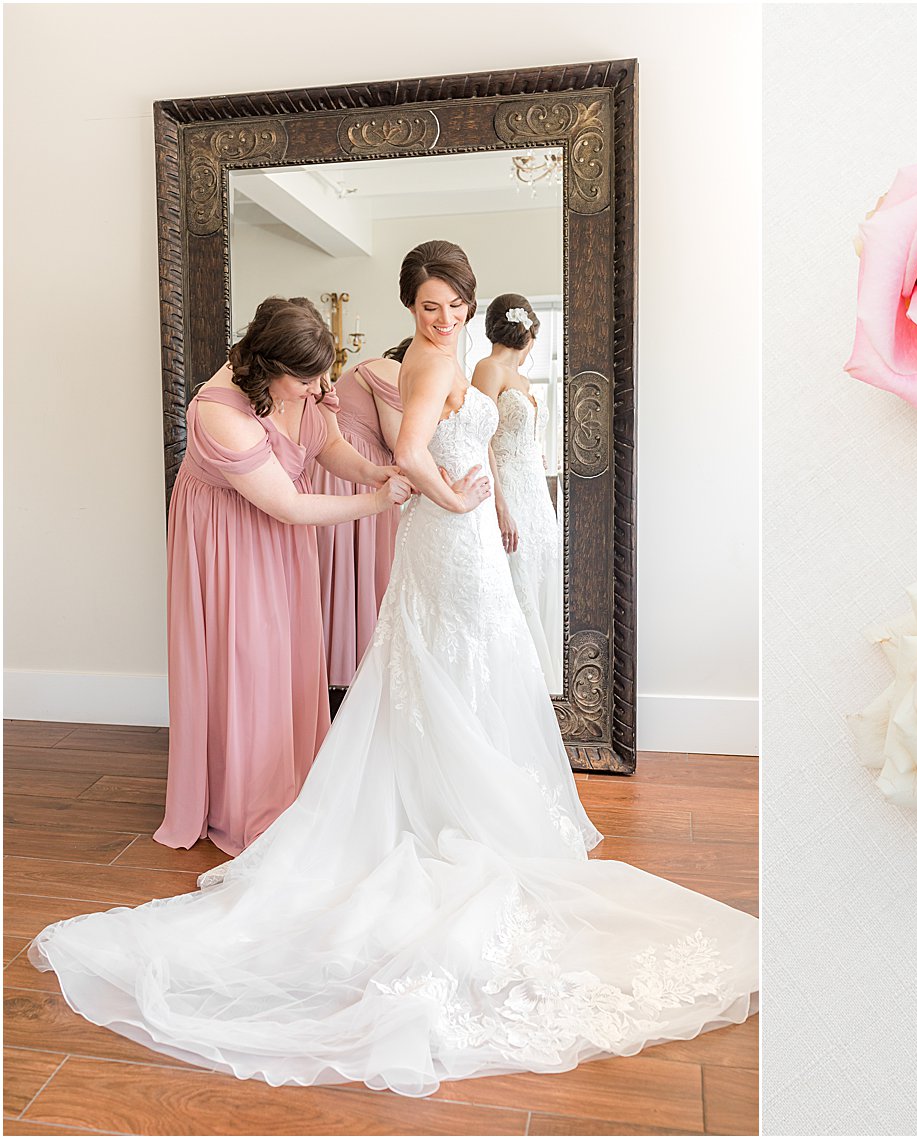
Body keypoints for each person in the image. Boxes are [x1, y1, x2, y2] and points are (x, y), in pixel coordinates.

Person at [31, 241, 758, 1097]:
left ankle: (417, 788)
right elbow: (330, 485)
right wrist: (422, 493)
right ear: (410, 308)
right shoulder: (255, 404)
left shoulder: (389, 374)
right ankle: (298, 799)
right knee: (409, 663)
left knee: (460, 661)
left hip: (452, 536)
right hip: (329, 535)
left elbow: (341, 445)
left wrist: (390, 476)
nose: (442, 319)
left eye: (454, 305)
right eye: (428, 306)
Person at [156, 297, 410, 856]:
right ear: (271, 367)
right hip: (229, 540)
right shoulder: (219, 413)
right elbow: (290, 506)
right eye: (310, 380)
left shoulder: (302, 387)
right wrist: (374, 501)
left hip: (278, 537)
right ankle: (246, 800)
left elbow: (330, 444)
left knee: (290, 657)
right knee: (248, 662)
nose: (322, 391)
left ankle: (295, 783)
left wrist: (374, 470)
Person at [312, 338, 411, 688]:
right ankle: (340, 682)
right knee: (345, 572)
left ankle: (349, 676)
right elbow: (403, 446)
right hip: (350, 473)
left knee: (360, 574)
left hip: (361, 473)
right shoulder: (390, 369)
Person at [473, 294, 562, 682]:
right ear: (526, 333)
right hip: (506, 486)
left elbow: (520, 433)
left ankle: (547, 679)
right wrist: (500, 505)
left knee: (542, 569)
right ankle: (518, 680)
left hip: (534, 488)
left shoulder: (524, 380)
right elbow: (480, 439)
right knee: (516, 574)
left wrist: (533, 454)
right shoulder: (488, 369)